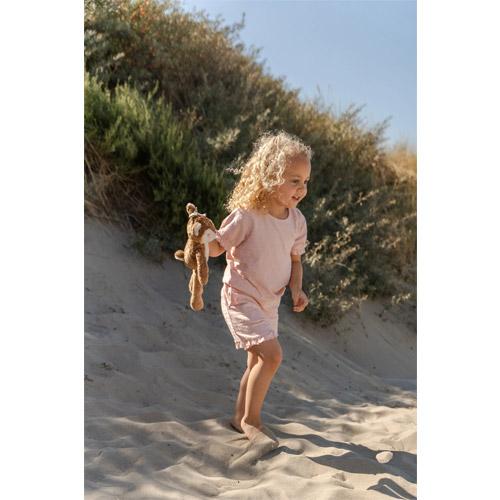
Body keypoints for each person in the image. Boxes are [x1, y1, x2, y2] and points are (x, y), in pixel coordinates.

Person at [209, 131, 312, 449]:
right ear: (270, 176)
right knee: (272, 356)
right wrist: (201, 237)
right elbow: (216, 248)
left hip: (270, 302)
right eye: (294, 180)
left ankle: (238, 417)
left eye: (305, 182)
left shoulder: (296, 221)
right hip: (240, 297)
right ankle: (252, 422)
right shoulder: (247, 215)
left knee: (257, 361)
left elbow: (295, 260)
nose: (302, 189)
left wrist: (297, 290)